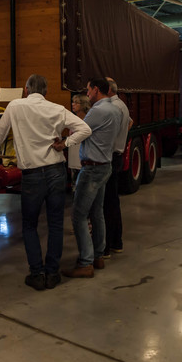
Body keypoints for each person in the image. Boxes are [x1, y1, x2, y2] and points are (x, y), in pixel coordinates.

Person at [0, 74, 91, 291]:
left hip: (32, 175)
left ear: (26, 89)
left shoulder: (15, 107)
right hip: (56, 172)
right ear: (46, 91)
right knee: (56, 224)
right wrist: (66, 143)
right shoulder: (57, 109)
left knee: (30, 225)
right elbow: (85, 129)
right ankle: (52, 273)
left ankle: (37, 274)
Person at [57, 77, 121, 278]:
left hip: (92, 169)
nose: (87, 94)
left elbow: (81, 130)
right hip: (104, 165)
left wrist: (62, 144)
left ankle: (86, 262)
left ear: (95, 90)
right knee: (97, 212)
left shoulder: (98, 111)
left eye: (88, 90)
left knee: (78, 215)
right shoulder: (116, 109)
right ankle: (98, 256)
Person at [103, 77, 133, 258]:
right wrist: (121, 139)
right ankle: (116, 242)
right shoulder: (121, 105)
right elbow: (130, 122)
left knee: (106, 204)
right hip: (117, 155)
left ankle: (105, 246)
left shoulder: (112, 107)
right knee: (113, 202)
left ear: (107, 90)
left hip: (109, 157)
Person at [67, 94, 91, 188]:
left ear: (83, 105)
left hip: (83, 160)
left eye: (76, 103)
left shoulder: (88, 120)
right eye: (73, 102)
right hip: (73, 159)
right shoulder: (73, 119)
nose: (73, 104)